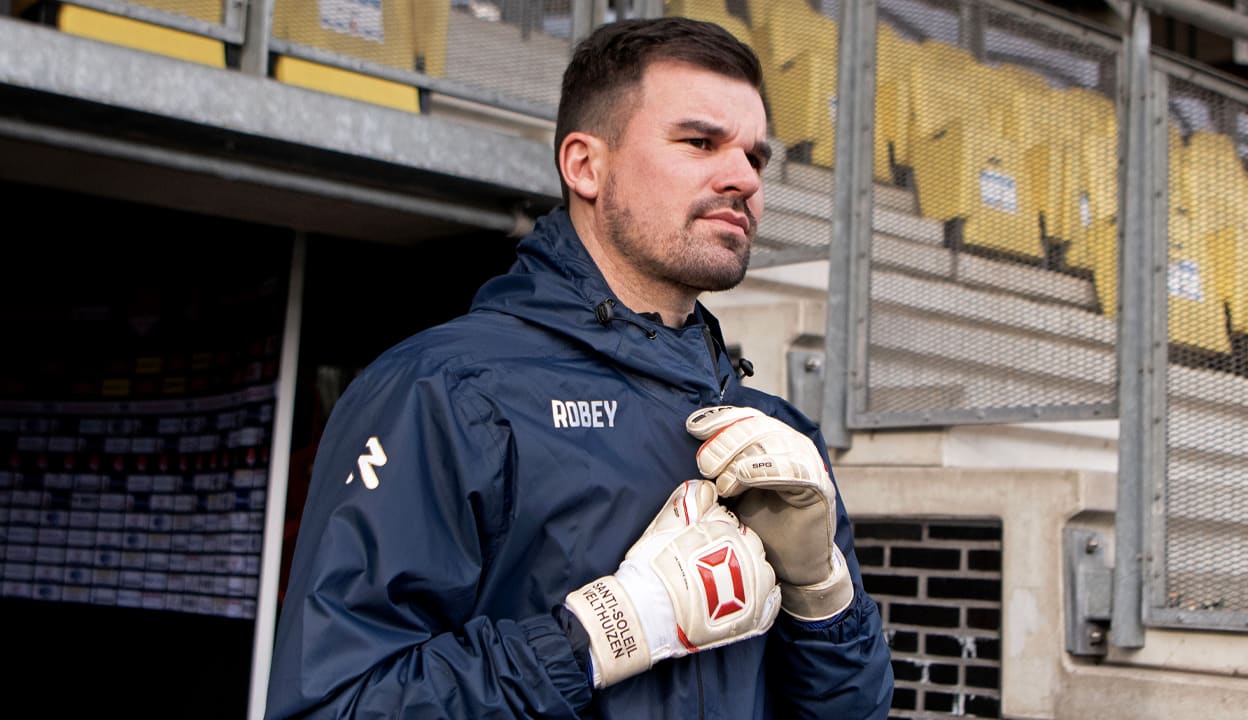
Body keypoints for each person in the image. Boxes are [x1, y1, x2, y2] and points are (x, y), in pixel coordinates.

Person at [265, 15, 894, 719]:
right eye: (700, 142)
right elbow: (337, 702)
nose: (742, 178)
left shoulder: (774, 436)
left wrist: (823, 598)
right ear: (585, 165)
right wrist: (599, 633)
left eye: (755, 156)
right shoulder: (445, 390)